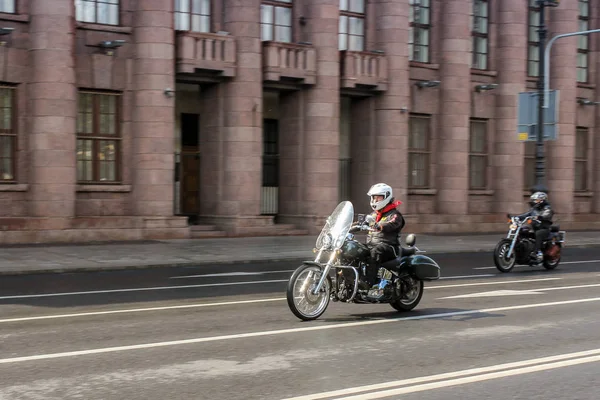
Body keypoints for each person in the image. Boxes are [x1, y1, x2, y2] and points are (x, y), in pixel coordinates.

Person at [350, 183, 405, 292]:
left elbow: (393, 223)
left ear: (386, 197)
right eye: (373, 197)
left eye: (378, 197)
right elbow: (362, 222)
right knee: (355, 249)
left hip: (388, 246)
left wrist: (380, 225)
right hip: (372, 244)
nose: (375, 200)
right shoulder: (374, 215)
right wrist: (348, 226)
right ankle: (352, 279)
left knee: (375, 251)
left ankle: (368, 283)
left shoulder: (394, 214)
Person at [515, 191, 554, 262]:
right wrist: (516, 217)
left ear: (542, 200)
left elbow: (547, 214)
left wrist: (540, 217)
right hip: (534, 229)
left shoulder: (547, 208)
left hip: (545, 229)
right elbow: (526, 215)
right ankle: (520, 251)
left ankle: (535, 253)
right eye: (534, 200)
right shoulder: (534, 209)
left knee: (539, 233)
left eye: (536, 200)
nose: (535, 202)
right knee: (523, 232)